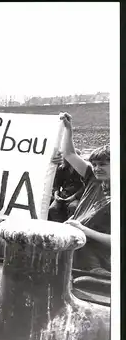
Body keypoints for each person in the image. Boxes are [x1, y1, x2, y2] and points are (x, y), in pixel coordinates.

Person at [60, 112, 111, 275]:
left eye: (103, 164)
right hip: (75, 250)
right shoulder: (94, 179)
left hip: (96, 262)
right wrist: (68, 129)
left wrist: (82, 229)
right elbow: (69, 154)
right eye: (94, 164)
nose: (97, 168)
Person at [48, 150, 85, 222]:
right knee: (52, 209)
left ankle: (71, 226)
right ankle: (58, 225)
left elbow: (84, 187)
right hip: (64, 194)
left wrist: (73, 197)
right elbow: (56, 185)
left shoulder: (82, 170)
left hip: (77, 196)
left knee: (73, 207)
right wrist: (56, 195)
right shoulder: (62, 169)